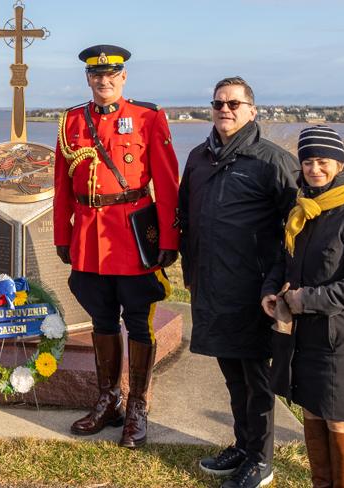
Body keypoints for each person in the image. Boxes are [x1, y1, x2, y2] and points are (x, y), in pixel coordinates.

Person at [54, 45, 180, 449]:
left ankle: (138, 406)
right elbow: (61, 186)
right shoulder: (72, 120)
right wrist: (62, 235)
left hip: (131, 238)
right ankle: (108, 400)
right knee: (102, 320)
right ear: (88, 79)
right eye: (96, 75)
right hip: (89, 240)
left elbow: (167, 182)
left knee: (139, 322)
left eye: (111, 75)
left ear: (123, 78)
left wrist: (169, 238)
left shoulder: (147, 117)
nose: (103, 81)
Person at [178, 77, 298, 488]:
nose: (224, 109)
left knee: (255, 378)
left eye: (233, 103)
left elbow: (295, 229)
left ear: (252, 110)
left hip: (254, 291)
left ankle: (261, 461)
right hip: (210, 286)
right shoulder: (197, 157)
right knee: (231, 373)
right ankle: (244, 446)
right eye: (217, 103)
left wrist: (279, 283)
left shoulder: (272, 161)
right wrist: (189, 271)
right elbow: (186, 218)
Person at [262, 126, 344, 488]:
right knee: (313, 411)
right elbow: (283, 261)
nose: (314, 169)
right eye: (307, 162)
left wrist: (305, 300)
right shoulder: (302, 211)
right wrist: (271, 291)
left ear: (339, 163)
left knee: (340, 420)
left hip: (341, 339)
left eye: (322, 161)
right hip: (304, 336)